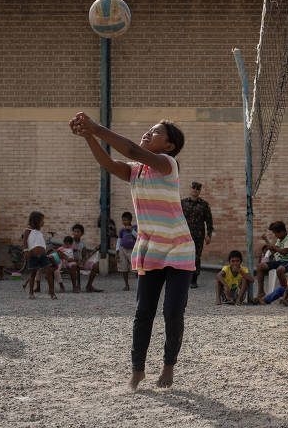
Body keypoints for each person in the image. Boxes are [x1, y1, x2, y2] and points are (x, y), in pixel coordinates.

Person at [69, 111, 195, 390]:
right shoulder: (136, 170)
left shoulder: (168, 164)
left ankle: (168, 366)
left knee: (173, 312)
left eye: (156, 132)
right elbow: (107, 162)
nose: (148, 133)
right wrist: (88, 136)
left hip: (178, 249)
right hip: (150, 250)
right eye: (149, 129)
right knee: (143, 312)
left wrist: (95, 127)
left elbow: (132, 150)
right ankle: (138, 370)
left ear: (169, 146)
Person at [181, 181, 213, 289]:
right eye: (194, 188)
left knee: (196, 257)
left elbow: (209, 221)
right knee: (183, 256)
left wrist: (209, 235)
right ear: (190, 189)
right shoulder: (182, 203)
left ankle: (194, 279)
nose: (195, 190)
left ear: (200, 191)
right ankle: (183, 278)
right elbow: (177, 219)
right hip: (184, 236)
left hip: (198, 236)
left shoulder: (204, 205)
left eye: (198, 189)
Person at [255, 221, 288, 300]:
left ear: (282, 232)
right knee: (260, 266)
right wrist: (266, 240)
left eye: (276, 233)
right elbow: (273, 252)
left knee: (280, 269)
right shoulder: (280, 239)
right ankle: (261, 292)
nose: (275, 235)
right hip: (281, 261)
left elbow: (284, 252)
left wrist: (274, 247)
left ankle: (285, 292)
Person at [22, 211, 56, 300]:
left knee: (49, 272)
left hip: (43, 255)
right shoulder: (28, 230)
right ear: (36, 221)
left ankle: (52, 292)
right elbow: (25, 241)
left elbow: (40, 243)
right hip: (33, 255)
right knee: (33, 274)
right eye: (42, 220)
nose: (43, 222)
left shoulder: (39, 232)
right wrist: (25, 251)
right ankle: (31, 292)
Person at [73, 223, 102, 293]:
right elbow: (66, 253)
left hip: (80, 262)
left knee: (96, 265)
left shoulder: (82, 243)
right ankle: (76, 286)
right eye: (75, 232)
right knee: (74, 265)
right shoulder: (70, 242)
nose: (76, 233)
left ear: (82, 233)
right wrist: (76, 262)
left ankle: (89, 285)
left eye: (78, 232)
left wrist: (82, 262)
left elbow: (84, 256)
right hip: (71, 261)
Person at [116, 211, 137, 291]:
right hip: (123, 250)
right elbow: (119, 241)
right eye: (123, 220)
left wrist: (131, 230)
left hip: (132, 250)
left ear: (130, 220)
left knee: (136, 267)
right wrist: (117, 251)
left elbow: (138, 237)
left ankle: (140, 284)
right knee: (124, 268)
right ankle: (126, 285)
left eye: (126, 220)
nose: (124, 222)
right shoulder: (122, 230)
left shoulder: (135, 227)